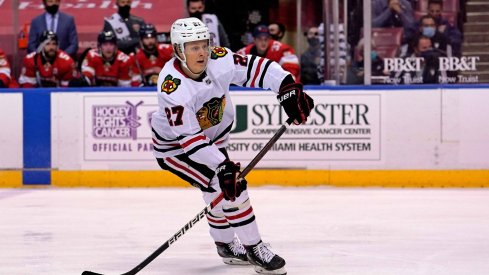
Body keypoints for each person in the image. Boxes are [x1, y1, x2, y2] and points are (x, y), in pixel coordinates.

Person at [152, 17, 313, 275]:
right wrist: (223, 166)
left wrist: (287, 88)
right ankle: (254, 248)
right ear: (178, 50)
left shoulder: (220, 59)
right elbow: (191, 140)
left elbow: (259, 69)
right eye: (193, 47)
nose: (202, 52)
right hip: (178, 150)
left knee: (219, 191)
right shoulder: (172, 87)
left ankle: (226, 246)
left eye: (204, 44)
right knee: (227, 185)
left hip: (212, 140)